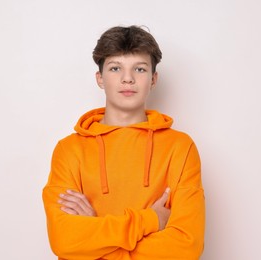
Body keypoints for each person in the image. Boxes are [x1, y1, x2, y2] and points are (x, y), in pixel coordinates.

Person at [42, 25, 205, 259]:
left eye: (139, 69)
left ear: (153, 79)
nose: (127, 79)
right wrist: (151, 220)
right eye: (115, 68)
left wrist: (96, 236)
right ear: (100, 78)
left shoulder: (180, 147)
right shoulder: (69, 150)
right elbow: (64, 240)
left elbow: (186, 247)